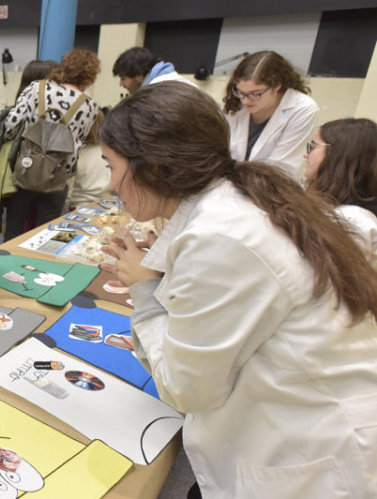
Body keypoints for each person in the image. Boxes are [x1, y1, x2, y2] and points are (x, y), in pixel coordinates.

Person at [99, 82, 377, 499]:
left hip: (313, 458)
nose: (109, 186)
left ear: (152, 168)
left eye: (110, 166)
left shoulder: (219, 235)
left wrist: (145, 288)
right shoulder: (237, 201)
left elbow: (186, 389)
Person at [2, 48, 101, 240]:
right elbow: (78, 142)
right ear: (89, 76)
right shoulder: (89, 105)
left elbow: (11, 124)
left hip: (25, 170)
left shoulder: (37, 88)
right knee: (44, 235)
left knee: (14, 230)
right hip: (58, 176)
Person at [224, 50, 318, 181]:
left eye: (255, 94)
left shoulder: (302, 109)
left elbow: (280, 170)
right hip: (233, 186)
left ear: (277, 86)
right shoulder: (235, 105)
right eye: (241, 92)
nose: (245, 101)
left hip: (273, 191)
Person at [303, 118, 377, 263]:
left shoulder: (353, 220)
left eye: (313, 147)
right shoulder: (336, 207)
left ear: (338, 154)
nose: (306, 154)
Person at [112, 47, 197, 96]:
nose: (121, 84)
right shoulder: (170, 81)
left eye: (123, 79)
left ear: (139, 74)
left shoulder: (159, 91)